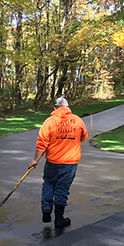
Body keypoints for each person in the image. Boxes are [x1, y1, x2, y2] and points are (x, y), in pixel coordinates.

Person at [29, 97, 88, 228]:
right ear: (67, 107)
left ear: (55, 108)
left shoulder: (49, 121)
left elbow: (41, 143)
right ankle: (59, 218)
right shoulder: (78, 120)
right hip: (70, 163)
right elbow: (84, 137)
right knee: (62, 189)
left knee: (49, 183)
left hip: (52, 162)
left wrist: (35, 160)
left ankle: (46, 210)